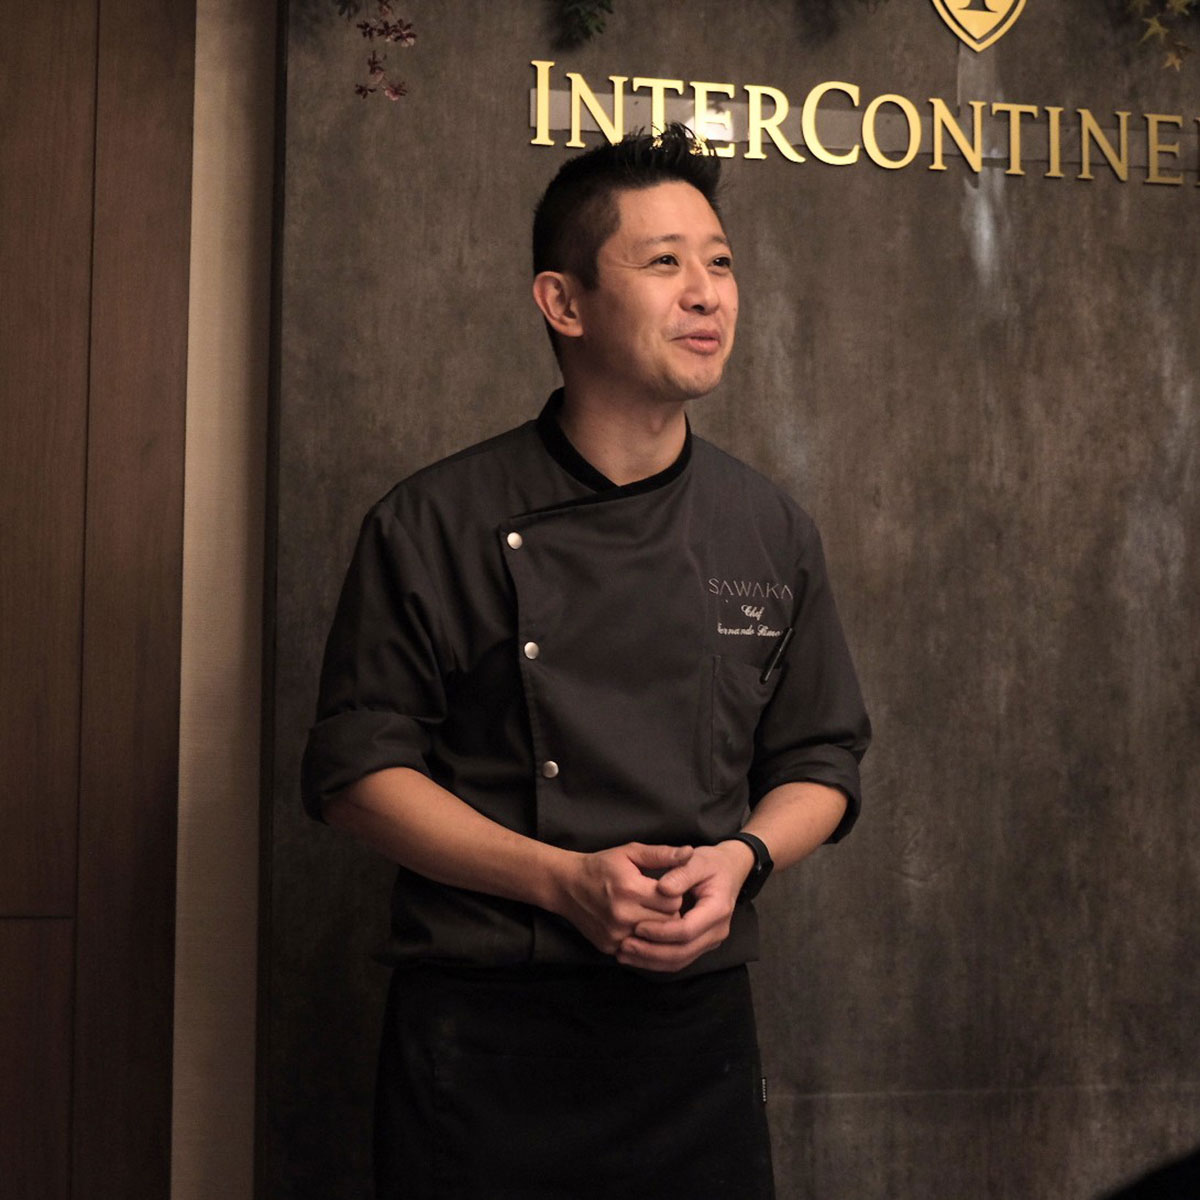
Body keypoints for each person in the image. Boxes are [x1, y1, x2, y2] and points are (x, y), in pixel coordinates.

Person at [301, 124, 870, 1199]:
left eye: (720, 263)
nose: (707, 294)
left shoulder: (768, 528)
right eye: (665, 262)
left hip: (694, 1038)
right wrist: (562, 881)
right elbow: (356, 777)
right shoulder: (434, 522)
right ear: (563, 303)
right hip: (487, 1037)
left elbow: (823, 760)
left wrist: (743, 859)